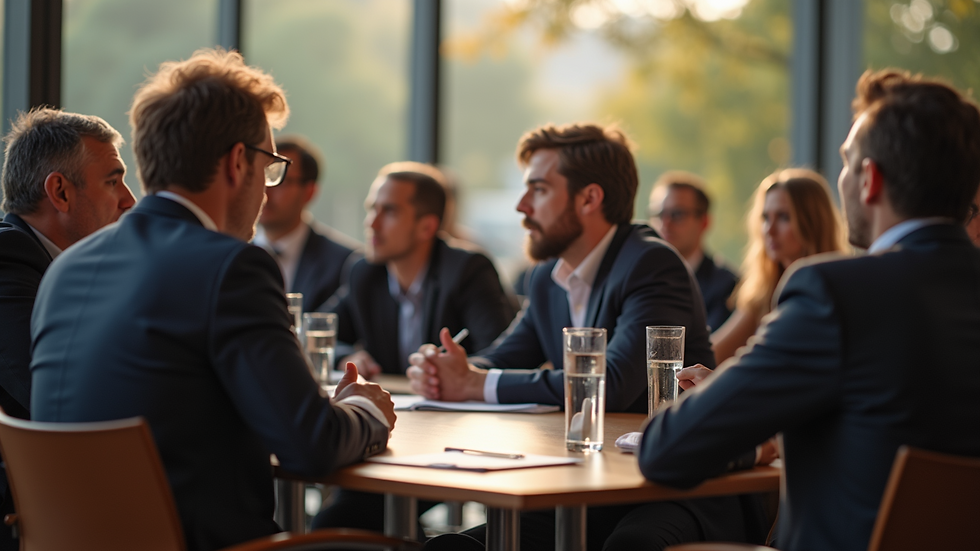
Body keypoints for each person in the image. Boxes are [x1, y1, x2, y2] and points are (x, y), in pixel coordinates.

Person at [30, 48, 395, 551]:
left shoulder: (65, 269)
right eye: (269, 168)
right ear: (237, 162)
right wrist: (365, 410)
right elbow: (311, 444)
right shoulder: (230, 268)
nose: (267, 193)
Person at [638, 69, 980, 551]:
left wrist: (737, 392)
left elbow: (665, 451)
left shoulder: (835, 292)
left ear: (869, 180)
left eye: (845, 162)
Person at [411, 123, 768, 550]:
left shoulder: (652, 264)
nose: (522, 206)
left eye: (539, 190)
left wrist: (473, 382)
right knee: (451, 548)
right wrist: (451, 372)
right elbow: (504, 357)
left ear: (589, 198)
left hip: (670, 492)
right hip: (577, 488)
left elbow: (611, 384)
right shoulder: (547, 276)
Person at [0, 107, 135, 551]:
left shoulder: (58, 266)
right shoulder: (7, 262)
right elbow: (51, 396)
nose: (130, 200)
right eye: (113, 181)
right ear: (59, 191)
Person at [329, 162, 516, 379]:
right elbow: (317, 332)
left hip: (457, 410)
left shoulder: (467, 270)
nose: (372, 223)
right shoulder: (365, 272)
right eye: (372, 209)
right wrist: (346, 357)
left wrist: (448, 371)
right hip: (393, 407)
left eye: (389, 211)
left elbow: (500, 355)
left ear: (426, 227)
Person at [710, 169, 846, 365]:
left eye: (783, 217)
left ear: (813, 222)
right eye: (765, 218)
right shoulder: (763, 288)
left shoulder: (836, 288)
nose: (770, 230)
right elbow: (715, 352)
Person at [254, 135, 360, 312]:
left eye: (281, 181)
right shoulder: (231, 256)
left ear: (309, 192)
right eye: (262, 178)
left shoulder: (346, 264)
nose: (266, 191)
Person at [648, 171, 738, 331]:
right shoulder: (641, 280)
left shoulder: (727, 287)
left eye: (677, 214)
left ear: (704, 222)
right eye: (659, 214)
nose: (665, 223)